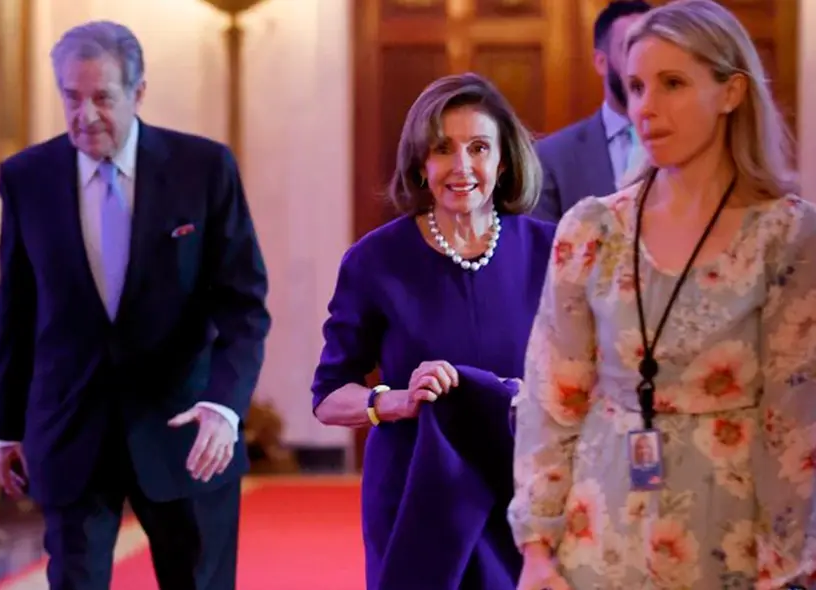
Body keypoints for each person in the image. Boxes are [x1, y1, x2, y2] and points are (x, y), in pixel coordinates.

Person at [509, 1, 816, 589]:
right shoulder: (592, 229)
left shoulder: (786, 235)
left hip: (731, 542)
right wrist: (537, 548)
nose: (645, 107)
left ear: (731, 92)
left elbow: (795, 423)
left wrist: (790, 567)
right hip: (597, 536)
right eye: (635, 86)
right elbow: (552, 398)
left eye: (672, 84)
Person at [0, 21, 270, 590]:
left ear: (138, 93)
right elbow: (16, 310)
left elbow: (244, 307)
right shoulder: (27, 178)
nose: (84, 115)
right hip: (70, 431)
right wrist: (2, 428)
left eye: (101, 98)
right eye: (70, 96)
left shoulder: (204, 170)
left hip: (185, 433)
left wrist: (225, 407)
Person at [311, 72, 555, 589]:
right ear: (422, 163)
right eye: (443, 148)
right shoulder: (374, 260)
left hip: (525, 493)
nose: (462, 167)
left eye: (479, 147)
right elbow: (329, 397)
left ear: (504, 160)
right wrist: (398, 401)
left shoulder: (554, 252)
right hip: (414, 499)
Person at [532, 0, 652, 223]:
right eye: (629, 48)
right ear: (601, 62)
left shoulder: (692, 143)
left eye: (650, 48)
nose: (641, 62)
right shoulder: (551, 157)